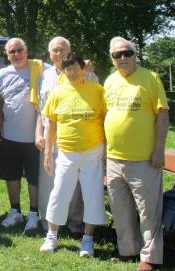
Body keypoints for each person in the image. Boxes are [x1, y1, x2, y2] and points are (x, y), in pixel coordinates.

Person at [104, 37, 169, 271]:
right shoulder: (110, 81)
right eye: (117, 55)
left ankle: (149, 257)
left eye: (127, 53)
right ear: (111, 59)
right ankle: (127, 251)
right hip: (113, 158)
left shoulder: (150, 78)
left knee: (147, 211)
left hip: (143, 159)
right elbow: (106, 116)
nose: (123, 58)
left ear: (134, 54)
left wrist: (159, 149)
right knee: (120, 209)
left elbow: (162, 115)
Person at [40, 52, 106, 257]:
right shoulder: (58, 93)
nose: (71, 72)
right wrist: (48, 153)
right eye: (67, 69)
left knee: (92, 194)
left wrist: (107, 150)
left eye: (75, 68)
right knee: (59, 193)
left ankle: (88, 239)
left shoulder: (97, 90)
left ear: (83, 68)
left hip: (93, 151)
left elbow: (106, 121)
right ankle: (51, 236)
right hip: (66, 152)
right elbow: (51, 125)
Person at [36, 36, 99, 233]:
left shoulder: (87, 73)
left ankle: (74, 222)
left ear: (69, 51)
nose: (58, 53)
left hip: (80, 138)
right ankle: (49, 222)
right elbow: (41, 108)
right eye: (54, 50)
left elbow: (97, 106)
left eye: (62, 49)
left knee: (77, 185)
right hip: (51, 135)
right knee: (49, 180)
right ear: (49, 54)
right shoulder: (44, 76)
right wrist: (38, 132)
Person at [0, 37, 44, 231]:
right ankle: (15, 211)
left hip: (34, 137)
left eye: (19, 50)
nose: (16, 54)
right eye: (12, 52)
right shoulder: (2, 74)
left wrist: (86, 65)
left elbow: (62, 66)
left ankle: (33, 214)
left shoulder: (40, 68)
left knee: (33, 177)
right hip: (10, 135)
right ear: (7, 55)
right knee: (11, 175)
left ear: (26, 50)